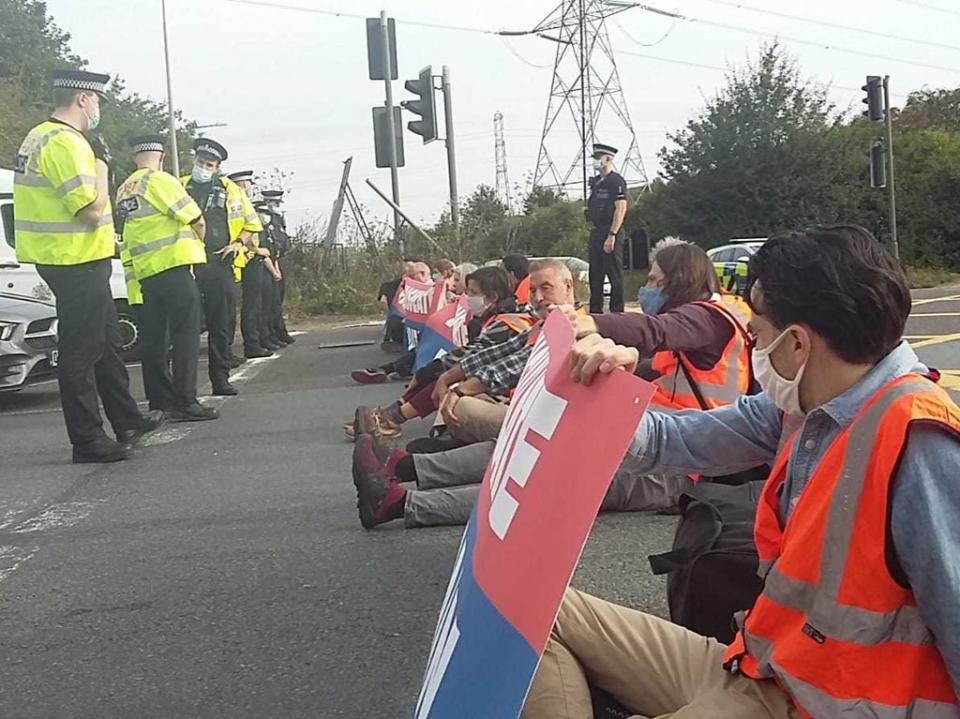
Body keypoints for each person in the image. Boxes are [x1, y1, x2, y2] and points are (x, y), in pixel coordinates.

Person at [522, 224, 960, 718]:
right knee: (529, 611)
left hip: (819, 706)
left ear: (797, 344)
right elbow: (673, 439)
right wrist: (596, 393)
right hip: (760, 667)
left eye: (759, 333)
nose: (754, 346)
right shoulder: (803, 406)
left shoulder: (919, 443)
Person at [351, 260, 581, 529]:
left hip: (574, 433)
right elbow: (499, 354)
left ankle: (401, 494)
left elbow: (517, 364)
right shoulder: (546, 323)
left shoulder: (579, 325)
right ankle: (402, 466)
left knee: (527, 464)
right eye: (533, 290)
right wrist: (451, 378)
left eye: (546, 288)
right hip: (543, 417)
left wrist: (459, 387)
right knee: (514, 443)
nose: (538, 297)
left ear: (568, 287)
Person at [12, 69, 162, 463]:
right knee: (82, 350)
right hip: (72, 258)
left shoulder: (40, 135)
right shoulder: (64, 143)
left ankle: (127, 419)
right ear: (82, 98)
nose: (98, 109)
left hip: (71, 256)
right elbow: (91, 210)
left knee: (108, 342)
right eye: (97, 101)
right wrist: (102, 168)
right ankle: (87, 440)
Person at [344, 266, 526, 441]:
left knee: (449, 377)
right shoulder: (497, 318)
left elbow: (472, 355)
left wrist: (434, 370)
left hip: (506, 391)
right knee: (440, 372)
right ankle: (389, 415)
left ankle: (391, 418)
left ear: (492, 296)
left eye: (472, 292)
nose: (468, 297)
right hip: (497, 383)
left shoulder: (506, 323)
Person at [116, 135, 218, 422]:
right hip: (174, 268)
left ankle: (160, 401)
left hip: (146, 274)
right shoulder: (160, 180)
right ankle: (186, 401)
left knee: (154, 340)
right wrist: (198, 245)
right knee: (186, 335)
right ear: (160, 157)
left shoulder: (124, 189)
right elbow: (195, 218)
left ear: (135, 157)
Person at [182, 138, 262, 396]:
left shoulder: (230, 189)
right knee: (187, 327)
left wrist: (239, 243)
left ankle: (220, 378)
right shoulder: (179, 186)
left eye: (209, 164)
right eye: (200, 162)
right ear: (193, 160)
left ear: (217, 167)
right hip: (188, 264)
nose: (203, 167)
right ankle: (184, 388)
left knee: (222, 324)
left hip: (220, 263)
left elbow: (252, 223)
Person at [350, 261, 432, 384]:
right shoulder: (413, 290)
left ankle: (386, 369)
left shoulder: (433, 289)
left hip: (429, 332)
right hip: (418, 331)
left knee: (422, 348)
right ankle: (391, 368)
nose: (408, 279)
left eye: (412, 276)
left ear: (423, 273)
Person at [226, 170, 272, 359]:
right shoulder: (234, 206)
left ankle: (254, 342)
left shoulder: (245, 206)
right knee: (246, 305)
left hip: (249, 259)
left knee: (254, 304)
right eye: (246, 184)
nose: (249, 187)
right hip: (244, 259)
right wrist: (255, 250)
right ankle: (250, 344)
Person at [585, 142, 627, 313]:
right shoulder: (596, 182)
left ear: (608, 159)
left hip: (610, 231)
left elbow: (621, 208)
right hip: (596, 231)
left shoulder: (616, 181)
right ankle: (596, 313)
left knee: (614, 276)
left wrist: (612, 234)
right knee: (595, 275)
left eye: (598, 158)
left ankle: (617, 313)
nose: (596, 161)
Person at [259, 189, 295, 346]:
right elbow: (266, 246)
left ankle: (280, 332)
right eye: (274, 203)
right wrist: (273, 267)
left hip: (278, 261)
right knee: (268, 303)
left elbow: (280, 243)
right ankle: (270, 335)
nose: (277, 206)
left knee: (277, 301)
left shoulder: (278, 219)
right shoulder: (264, 220)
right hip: (266, 264)